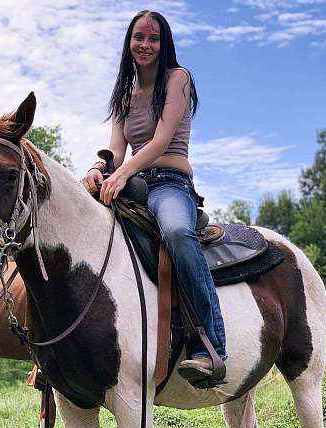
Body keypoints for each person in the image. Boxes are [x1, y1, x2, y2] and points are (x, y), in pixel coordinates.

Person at [81, 10, 227, 384]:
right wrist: (100, 169)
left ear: (164, 45)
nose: (145, 44)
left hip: (169, 183)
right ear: (128, 42)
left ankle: (211, 345)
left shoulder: (178, 78)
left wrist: (124, 170)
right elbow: (116, 150)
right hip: (133, 183)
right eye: (138, 37)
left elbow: (162, 140)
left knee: (177, 233)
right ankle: (63, 350)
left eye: (153, 38)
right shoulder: (123, 94)